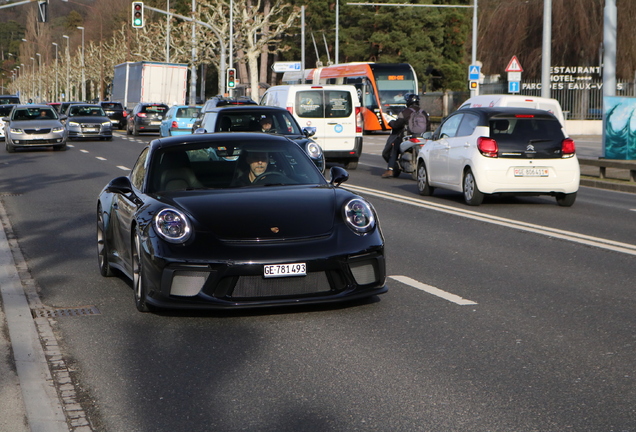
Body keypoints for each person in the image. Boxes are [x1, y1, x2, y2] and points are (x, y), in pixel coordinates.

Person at [381, 93, 422, 178]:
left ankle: (390, 169)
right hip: (422, 137)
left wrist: (391, 122)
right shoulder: (423, 112)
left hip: (408, 137)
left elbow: (397, 124)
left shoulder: (405, 112)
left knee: (394, 146)